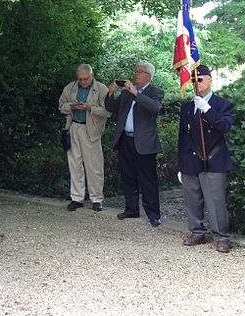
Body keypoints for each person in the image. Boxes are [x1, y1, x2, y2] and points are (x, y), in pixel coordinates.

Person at [177, 65, 234, 253]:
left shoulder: (223, 104)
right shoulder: (187, 107)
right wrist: (180, 164)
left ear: (210, 80)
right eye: (193, 80)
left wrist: (207, 110)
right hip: (191, 159)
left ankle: (221, 237)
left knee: (216, 201)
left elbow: (224, 126)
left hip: (213, 158)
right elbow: (183, 137)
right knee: (192, 199)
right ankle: (197, 231)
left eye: (200, 79)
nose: (196, 84)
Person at [105, 61, 165, 226]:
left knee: (148, 180)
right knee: (128, 177)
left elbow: (154, 108)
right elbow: (111, 108)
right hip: (125, 140)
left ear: (148, 76)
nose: (136, 73)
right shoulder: (125, 93)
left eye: (140, 71)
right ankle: (131, 209)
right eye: (136, 71)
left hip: (144, 144)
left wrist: (136, 93)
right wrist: (110, 94)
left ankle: (153, 214)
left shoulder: (155, 92)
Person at [58, 63, 112, 211]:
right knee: (74, 164)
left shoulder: (102, 89)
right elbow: (61, 106)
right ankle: (77, 198)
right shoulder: (70, 88)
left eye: (85, 79)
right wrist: (71, 106)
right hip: (74, 127)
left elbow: (108, 112)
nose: (82, 82)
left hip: (92, 130)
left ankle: (97, 199)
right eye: (80, 79)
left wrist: (90, 108)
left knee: (94, 166)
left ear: (92, 76)